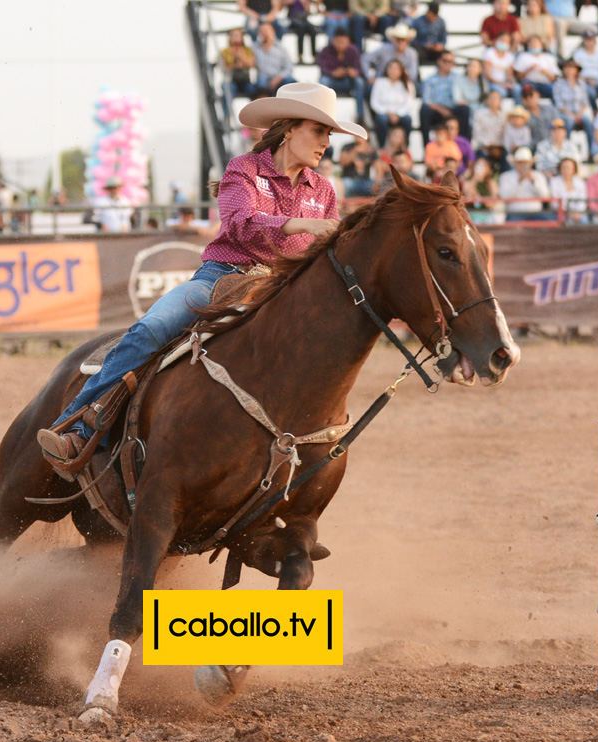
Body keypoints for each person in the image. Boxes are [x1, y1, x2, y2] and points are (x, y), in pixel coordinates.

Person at [35, 83, 366, 475]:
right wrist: (302, 223)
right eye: (320, 130)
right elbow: (240, 223)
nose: (327, 143)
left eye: (329, 134)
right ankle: (76, 427)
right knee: (151, 329)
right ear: (290, 128)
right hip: (224, 277)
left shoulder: (323, 189)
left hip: (283, 292)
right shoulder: (244, 169)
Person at [317, 28, 367, 123]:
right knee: (323, 81)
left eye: (343, 42)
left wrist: (353, 72)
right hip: (332, 81)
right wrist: (333, 73)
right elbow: (323, 68)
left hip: (347, 81)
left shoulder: (353, 50)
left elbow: (358, 68)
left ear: (348, 41)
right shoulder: (326, 51)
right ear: (333, 40)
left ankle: (360, 116)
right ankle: (324, 114)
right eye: (338, 42)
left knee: (359, 82)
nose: (340, 45)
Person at [421, 52, 469, 143]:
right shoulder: (430, 79)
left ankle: (464, 145)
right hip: (436, 110)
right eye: (445, 61)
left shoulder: (457, 78)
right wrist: (441, 110)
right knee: (424, 110)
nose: (447, 64)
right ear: (439, 61)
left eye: (450, 62)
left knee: (464, 109)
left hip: (453, 110)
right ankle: (427, 145)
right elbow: (426, 100)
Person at [500, 147, 554, 220]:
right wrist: (519, 181)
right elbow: (504, 197)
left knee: (549, 223)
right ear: (515, 163)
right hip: (515, 213)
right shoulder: (506, 177)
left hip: (536, 213)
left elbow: (545, 196)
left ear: (530, 164)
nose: (523, 166)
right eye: (520, 163)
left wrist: (533, 181)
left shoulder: (538, 176)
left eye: (525, 163)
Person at [369, 59, 415, 144]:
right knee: (381, 119)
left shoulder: (407, 84)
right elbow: (374, 102)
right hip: (384, 113)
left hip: (400, 114)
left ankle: (405, 145)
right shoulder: (379, 82)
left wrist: (397, 114)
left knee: (407, 119)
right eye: (391, 68)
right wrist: (388, 113)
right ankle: (382, 146)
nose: (393, 71)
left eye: (396, 68)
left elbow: (409, 103)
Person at [361, 22, 419, 86]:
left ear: (407, 42)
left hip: (401, 84)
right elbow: (365, 58)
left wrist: (402, 79)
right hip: (380, 82)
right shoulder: (384, 49)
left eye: (403, 40)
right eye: (398, 39)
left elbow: (413, 74)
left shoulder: (412, 54)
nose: (400, 42)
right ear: (394, 40)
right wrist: (369, 77)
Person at [512, 35, 560, 101]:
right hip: (529, 83)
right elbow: (518, 77)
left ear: (541, 44)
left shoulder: (549, 57)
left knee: (556, 90)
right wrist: (529, 69)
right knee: (527, 92)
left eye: (536, 42)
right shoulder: (523, 56)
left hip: (545, 83)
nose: (534, 44)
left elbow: (554, 78)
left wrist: (545, 72)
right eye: (531, 43)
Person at [254, 22, 297, 94]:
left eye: (266, 30)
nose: (264, 33)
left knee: (291, 81)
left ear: (273, 32)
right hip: (264, 78)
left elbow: (289, 67)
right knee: (261, 82)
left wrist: (277, 78)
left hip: (279, 77)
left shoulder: (281, 48)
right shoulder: (255, 48)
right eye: (262, 31)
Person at [221, 28, 258, 111]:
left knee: (254, 91)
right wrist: (235, 66)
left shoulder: (248, 50)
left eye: (237, 35)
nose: (235, 38)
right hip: (232, 81)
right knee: (227, 90)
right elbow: (223, 68)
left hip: (245, 81)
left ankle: (255, 114)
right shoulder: (225, 52)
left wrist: (239, 56)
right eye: (233, 36)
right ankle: (227, 116)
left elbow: (252, 64)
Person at [571, 31, 598, 104]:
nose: (589, 42)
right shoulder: (578, 54)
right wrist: (587, 80)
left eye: (591, 40)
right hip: (584, 81)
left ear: (595, 42)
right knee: (591, 93)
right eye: (587, 40)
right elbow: (576, 71)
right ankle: (594, 109)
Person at [472, 90, 509, 170]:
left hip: (499, 148)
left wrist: (498, 146)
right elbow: (477, 135)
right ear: (487, 100)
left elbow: (506, 135)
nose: (494, 101)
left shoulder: (504, 116)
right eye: (492, 98)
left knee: (507, 157)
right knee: (481, 157)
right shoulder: (479, 114)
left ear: (500, 101)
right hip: (484, 147)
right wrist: (489, 145)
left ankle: (505, 176)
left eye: (496, 99)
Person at [461, 156, 501, 223]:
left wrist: (481, 199)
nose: (480, 169)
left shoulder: (491, 183)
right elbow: (467, 198)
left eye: (482, 166)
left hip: (486, 214)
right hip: (471, 213)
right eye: (478, 166)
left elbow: (493, 203)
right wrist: (474, 180)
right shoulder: (467, 182)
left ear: (488, 168)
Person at [549, 156, 587, 221]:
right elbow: (554, 202)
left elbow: (582, 201)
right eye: (564, 167)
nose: (566, 170)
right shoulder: (554, 182)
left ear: (574, 169)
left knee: (584, 220)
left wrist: (577, 213)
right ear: (560, 169)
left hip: (578, 213)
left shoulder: (580, 182)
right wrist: (567, 213)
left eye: (568, 167)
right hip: (560, 213)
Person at [483, 32, 517, 97]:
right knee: (502, 92)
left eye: (507, 41)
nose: (504, 42)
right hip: (492, 83)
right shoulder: (489, 53)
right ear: (496, 39)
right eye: (502, 39)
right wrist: (500, 84)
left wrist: (509, 81)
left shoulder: (509, 56)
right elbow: (487, 74)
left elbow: (510, 74)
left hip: (504, 83)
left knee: (517, 89)